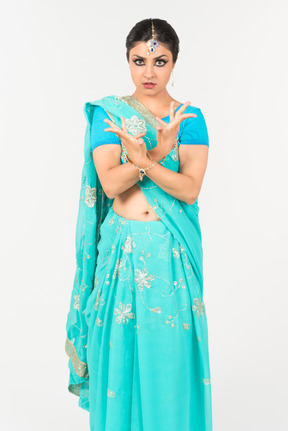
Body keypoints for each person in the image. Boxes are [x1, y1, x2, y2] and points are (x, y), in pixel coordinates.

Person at [65, 17, 213, 431]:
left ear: (174, 62)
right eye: (139, 60)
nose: (149, 72)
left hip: (170, 252)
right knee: (120, 352)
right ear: (127, 60)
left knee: (170, 354)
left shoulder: (189, 118)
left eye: (160, 61)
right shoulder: (108, 116)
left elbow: (188, 190)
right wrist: (149, 157)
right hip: (122, 253)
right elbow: (111, 184)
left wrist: (145, 160)